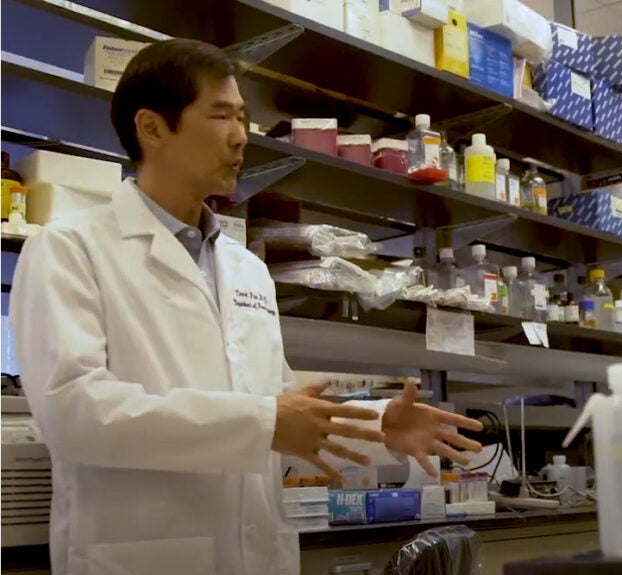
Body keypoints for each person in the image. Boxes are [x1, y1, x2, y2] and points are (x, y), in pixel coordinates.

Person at [9, 38, 483, 575]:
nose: (241, 137)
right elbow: (75, 414)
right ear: (152, 128)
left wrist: (378, 424)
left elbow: (278, 404)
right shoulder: (71, 248)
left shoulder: (246, 268)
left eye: (243, 117)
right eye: (220, 115)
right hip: (143, 556)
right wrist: (262, 423)